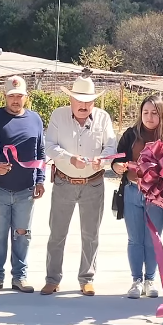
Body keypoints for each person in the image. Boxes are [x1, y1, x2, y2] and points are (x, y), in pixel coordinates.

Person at [42, 74, 118, 297]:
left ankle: (87, 279)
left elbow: (111, 146)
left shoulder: (103, 118)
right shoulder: (58, 116)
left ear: (94, 102)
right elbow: (49, 146)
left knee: (90, 234)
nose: (83, 105)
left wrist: (102, 160)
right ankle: (52, 279)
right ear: (71, 100)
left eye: (88, 101)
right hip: (64, 181)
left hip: (93, 184)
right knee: (57, 233)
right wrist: (68, 158)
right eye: (79, 100)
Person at [0, 75, 46, 293]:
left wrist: (40, 180)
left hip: (25, 191)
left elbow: (40, 152)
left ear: (26, 97)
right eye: (11, 96)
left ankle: (20, 277)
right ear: (4, 97)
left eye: (19, 96)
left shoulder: (36, 119)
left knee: (22, 235)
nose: (15, 100)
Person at [112, 94, 163, 299]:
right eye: (145, 112)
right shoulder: (131, 135)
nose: (149, 117)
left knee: (153, 240)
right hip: (132, 192)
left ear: (162, 115)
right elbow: (117, 160)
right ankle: (136, 281)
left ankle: (150, 280)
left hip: (157, 197)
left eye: (154, 113)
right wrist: (118, 167)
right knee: (134, 239)